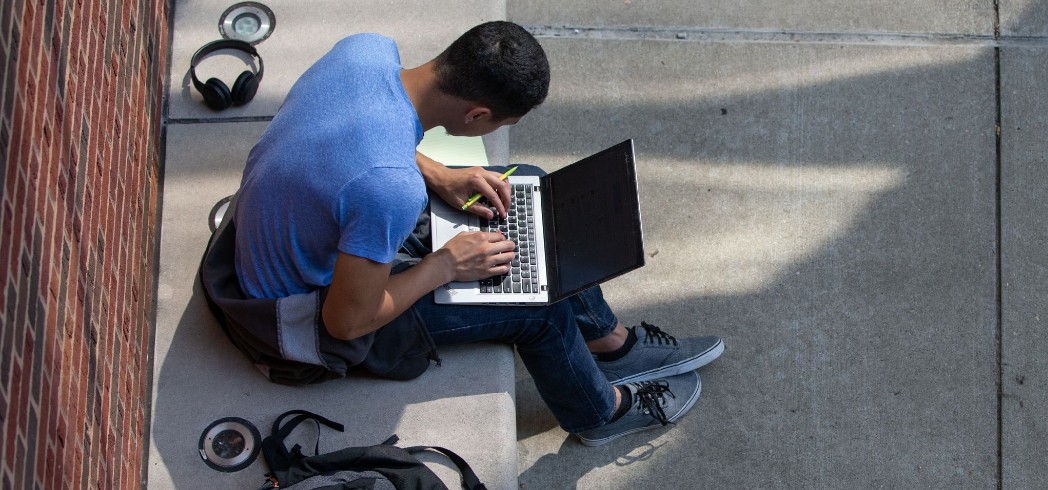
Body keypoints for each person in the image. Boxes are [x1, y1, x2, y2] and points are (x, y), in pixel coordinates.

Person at [230, 21, 724, 446]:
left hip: (294, 233)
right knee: (539, 307)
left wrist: (441, 174)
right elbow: (347, 322)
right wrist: (445, 265)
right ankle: (598, 413)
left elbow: (365, 134)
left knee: (521, 188)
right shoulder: (388, 189)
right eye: (499, 123)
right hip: (296, 318)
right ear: (475, 115)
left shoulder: (366, 51)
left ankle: (609, 346)